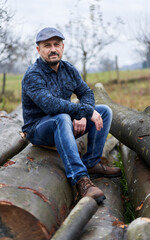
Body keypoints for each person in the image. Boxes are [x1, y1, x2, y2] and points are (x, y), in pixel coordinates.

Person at [22, 27, 121, 204]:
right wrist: (84, 112)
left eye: (56, 44)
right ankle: (81, 179)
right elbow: (50, 105)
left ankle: (91, 163)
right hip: (38, 129)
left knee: (104, 111)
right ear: (38, 49)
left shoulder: (68, 69)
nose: (53, 49)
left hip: (66, 122)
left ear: (63, 47)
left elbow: (86, 93)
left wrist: (84, 114)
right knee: (62, 117)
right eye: (47, 45)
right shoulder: (33, 75)